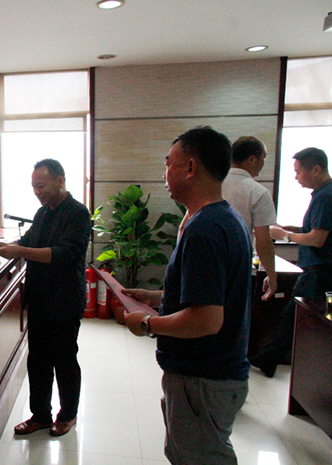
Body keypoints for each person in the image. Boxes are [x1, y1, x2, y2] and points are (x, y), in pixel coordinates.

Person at [123, 127, 252, 465]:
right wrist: (155, 297)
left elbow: (206, 320)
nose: (164, 173)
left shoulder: (205, 230)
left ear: (191, 168)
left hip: (203, 379)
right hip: (211, 375)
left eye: (168, 163)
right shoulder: (225, 218)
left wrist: (148, 324)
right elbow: (210, 295)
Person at [0, 159, 91, 437]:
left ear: (60, 181)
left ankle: (68, 415)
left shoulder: (78, 213)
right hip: (38, 298)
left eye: (41, 186)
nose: (37, 192)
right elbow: (28, 241)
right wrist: (3, 246)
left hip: (64, 300)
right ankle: (40, 416)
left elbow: (63, 254)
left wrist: (20, 252)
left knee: (64, 359)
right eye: (34, 187)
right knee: (37, 360)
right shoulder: (42, 213)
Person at [250, 147, 332, 377]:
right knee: (295, 316)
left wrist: (285, 236)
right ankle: (269, 359)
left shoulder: (325, 196)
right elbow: (313, 230)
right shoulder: (323, 194)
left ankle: (269, 359)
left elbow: (317, 238)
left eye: (298, 172)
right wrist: (289, 229)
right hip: (318, 268)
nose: (296, 177)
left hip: (319, 270)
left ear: (316, 169)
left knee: (295, 316)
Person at [222, 136, 278, 300]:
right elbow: (263, 241)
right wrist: (271, 275)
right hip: (238, 269)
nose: (263, 163)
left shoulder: (211, 184)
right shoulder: (258, 192)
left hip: (205, 265)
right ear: (252, 159)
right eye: (263, 158)